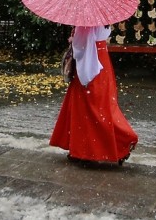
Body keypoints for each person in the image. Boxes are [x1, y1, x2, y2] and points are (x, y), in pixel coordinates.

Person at [50, 25, 138, 165]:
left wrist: (73, 40)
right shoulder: (102, 18)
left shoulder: (86, 21)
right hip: (102, 59)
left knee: (88, 108)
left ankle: (88, 151)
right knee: (103, 107)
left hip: (90, 63)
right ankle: (115, 145)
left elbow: (79, 48)